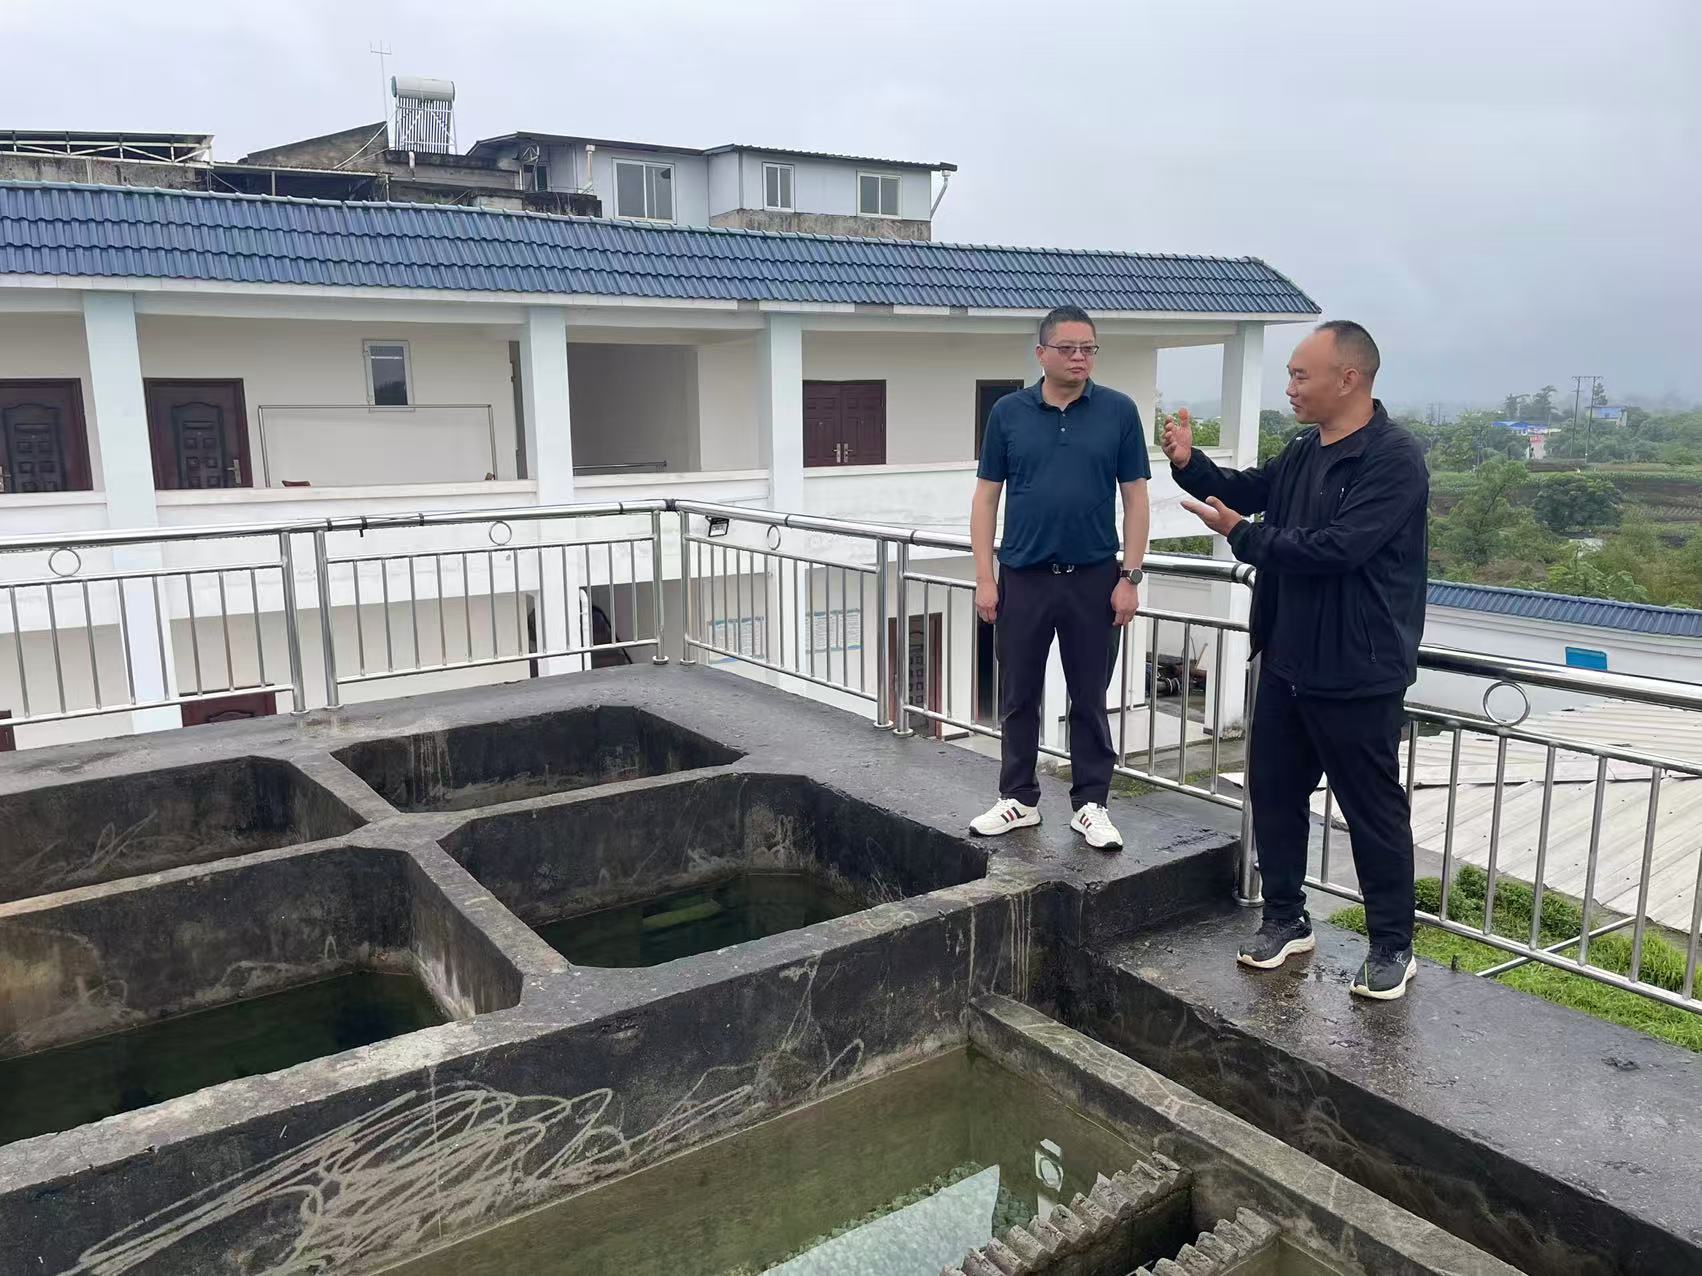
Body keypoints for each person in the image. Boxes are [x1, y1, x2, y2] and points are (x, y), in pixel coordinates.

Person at [1163, 320, 1428, 1000]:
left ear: (1349, 378)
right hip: (1287, 660)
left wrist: (1242, 537)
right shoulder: (1306, 449)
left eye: (1300, 375)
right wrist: (1191, 464)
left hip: (1358, 668)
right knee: (1276, 794)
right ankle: (1285, 917)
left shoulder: (1393, 459)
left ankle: (1392, 945)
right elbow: (1250, 490)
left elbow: (1339, 549)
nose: (1290, 388)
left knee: (1371, 811)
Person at [968, 306, 1151, 850]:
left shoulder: (1119, 411)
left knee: (1089, 696)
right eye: (1068, 348)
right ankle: (1019, 799)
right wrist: (984, 577)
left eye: (1088, 349)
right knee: (1019, 694)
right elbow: (986, 498)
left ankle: (1091, 804)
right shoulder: (1008, 412)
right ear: (1041, 353)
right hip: (1023, 576)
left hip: (1094, 578)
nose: (1079, 358)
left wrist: (1130, 576)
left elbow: (1136, 499)